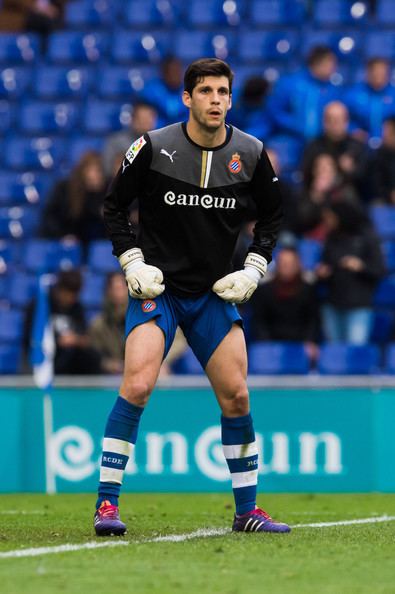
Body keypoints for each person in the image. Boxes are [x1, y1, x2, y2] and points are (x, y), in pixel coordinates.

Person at [94, 58, 290, 536]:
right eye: (206, 92)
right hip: (158, 289)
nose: (216, 100)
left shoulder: (252, 152)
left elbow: (273, 216)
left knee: (238, 396)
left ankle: (247, 512)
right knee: (138, 384)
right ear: (188, 98)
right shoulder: (153, 147)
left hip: (213, 293)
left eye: (223, 92)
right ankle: (106, 506)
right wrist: (132, 262)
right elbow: (114, 206)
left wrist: (255, 268)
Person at [316, 202, 386, 344]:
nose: (328, 222)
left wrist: (361, 266)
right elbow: (326, 264)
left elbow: (379, 270)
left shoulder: (367, 237)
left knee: (355, 351)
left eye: (330, 217)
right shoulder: (331, 238)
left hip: (358, 305)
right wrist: (323, 272)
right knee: (335, 354)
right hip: (333, 303)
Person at [25, 269, 101, 375]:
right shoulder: (39, 306)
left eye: (74, 295)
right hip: (46, 355)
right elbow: (30, 337)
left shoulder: (77, 307)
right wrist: (57, 340)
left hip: (71, 358)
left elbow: (85, 337)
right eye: (67, 294)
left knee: (92, 356)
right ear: (59, 289)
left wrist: (75, 340)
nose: (70, 299)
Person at [250, 248, 320, 363]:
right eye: (283, 263)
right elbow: (259, 321)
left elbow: (313, 320)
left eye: (290, 264)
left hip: (300, 344)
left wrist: (310, 341)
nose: (286, 267)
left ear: (298, 265)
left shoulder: (308, 290)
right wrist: (266, 345)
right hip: (271, 343)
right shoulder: (264, 291)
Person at [267, 45, 339, 144]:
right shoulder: (291, 84)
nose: (334, 68)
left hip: (320, 144)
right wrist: (295, 125)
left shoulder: (332, 90)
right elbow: (275, 111)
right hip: (290, 140)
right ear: (318, 63)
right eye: (331, 63)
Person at [302, 101, 370, 199]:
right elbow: (305, 176)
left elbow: (366, 181)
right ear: (324, 122)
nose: (334, 124)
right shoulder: (314, 146)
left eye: (338, 120)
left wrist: (351, 171)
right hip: (318, 198)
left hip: (349, 200)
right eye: (330, 120)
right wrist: (318, 175)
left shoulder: (357, 147)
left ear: (346, 121)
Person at [40, 150, 107, 247]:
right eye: (95, 170)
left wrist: (96, 196)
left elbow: (97, 227)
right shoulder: (64, 189)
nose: (98, 175)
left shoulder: (104, 192)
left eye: (100, 171)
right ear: (83, 171)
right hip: (58, 240)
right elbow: (50, 217)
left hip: (88, 245)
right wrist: (62, 236)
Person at [296, 152, 360, 240]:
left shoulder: (346, 190)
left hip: (342, 239)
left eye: (328, 166)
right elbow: (300, 221)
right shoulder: (305, 191)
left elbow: (355, 218)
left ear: (335, 170)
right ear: (313, 171)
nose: (324, 170)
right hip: (312, 240)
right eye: (320, 166)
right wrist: (316, 196)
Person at [345, 57, 395, 145]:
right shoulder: (354, 94)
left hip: (389, 145)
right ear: (368, 73)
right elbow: (344, 118)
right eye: (376, 72)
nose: (379, 76)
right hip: (359, 144)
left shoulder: (393, 93)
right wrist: (353, 130)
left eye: (382, 73)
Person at [102, 102, 158, 177]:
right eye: (141, 118)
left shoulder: (160, 143)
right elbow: (107, 170)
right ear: (133, 120)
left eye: (148, 118)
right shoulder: (115, 142)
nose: (145, 122)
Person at [88, 272, 129, 375]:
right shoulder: (98, 325)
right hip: (109, 376)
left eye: (121, 288)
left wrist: (160, 362)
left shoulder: (142, 320)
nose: (119, 293)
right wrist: (108, 364)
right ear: (108, 291)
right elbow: (94, 355)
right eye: (115, 288)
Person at [138, 56, 189, 127]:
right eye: (171, 72)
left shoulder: (189, 90)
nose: (175, 76)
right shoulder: (151, 91)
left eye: (177, 72)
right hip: (156, 133)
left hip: (183, 132)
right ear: (164, 73)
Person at [368, 116, 395, 204]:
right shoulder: (378, 156)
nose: (383, 135)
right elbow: (375, 185)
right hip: (385, 202)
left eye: (387, 131)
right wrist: (389, 195)